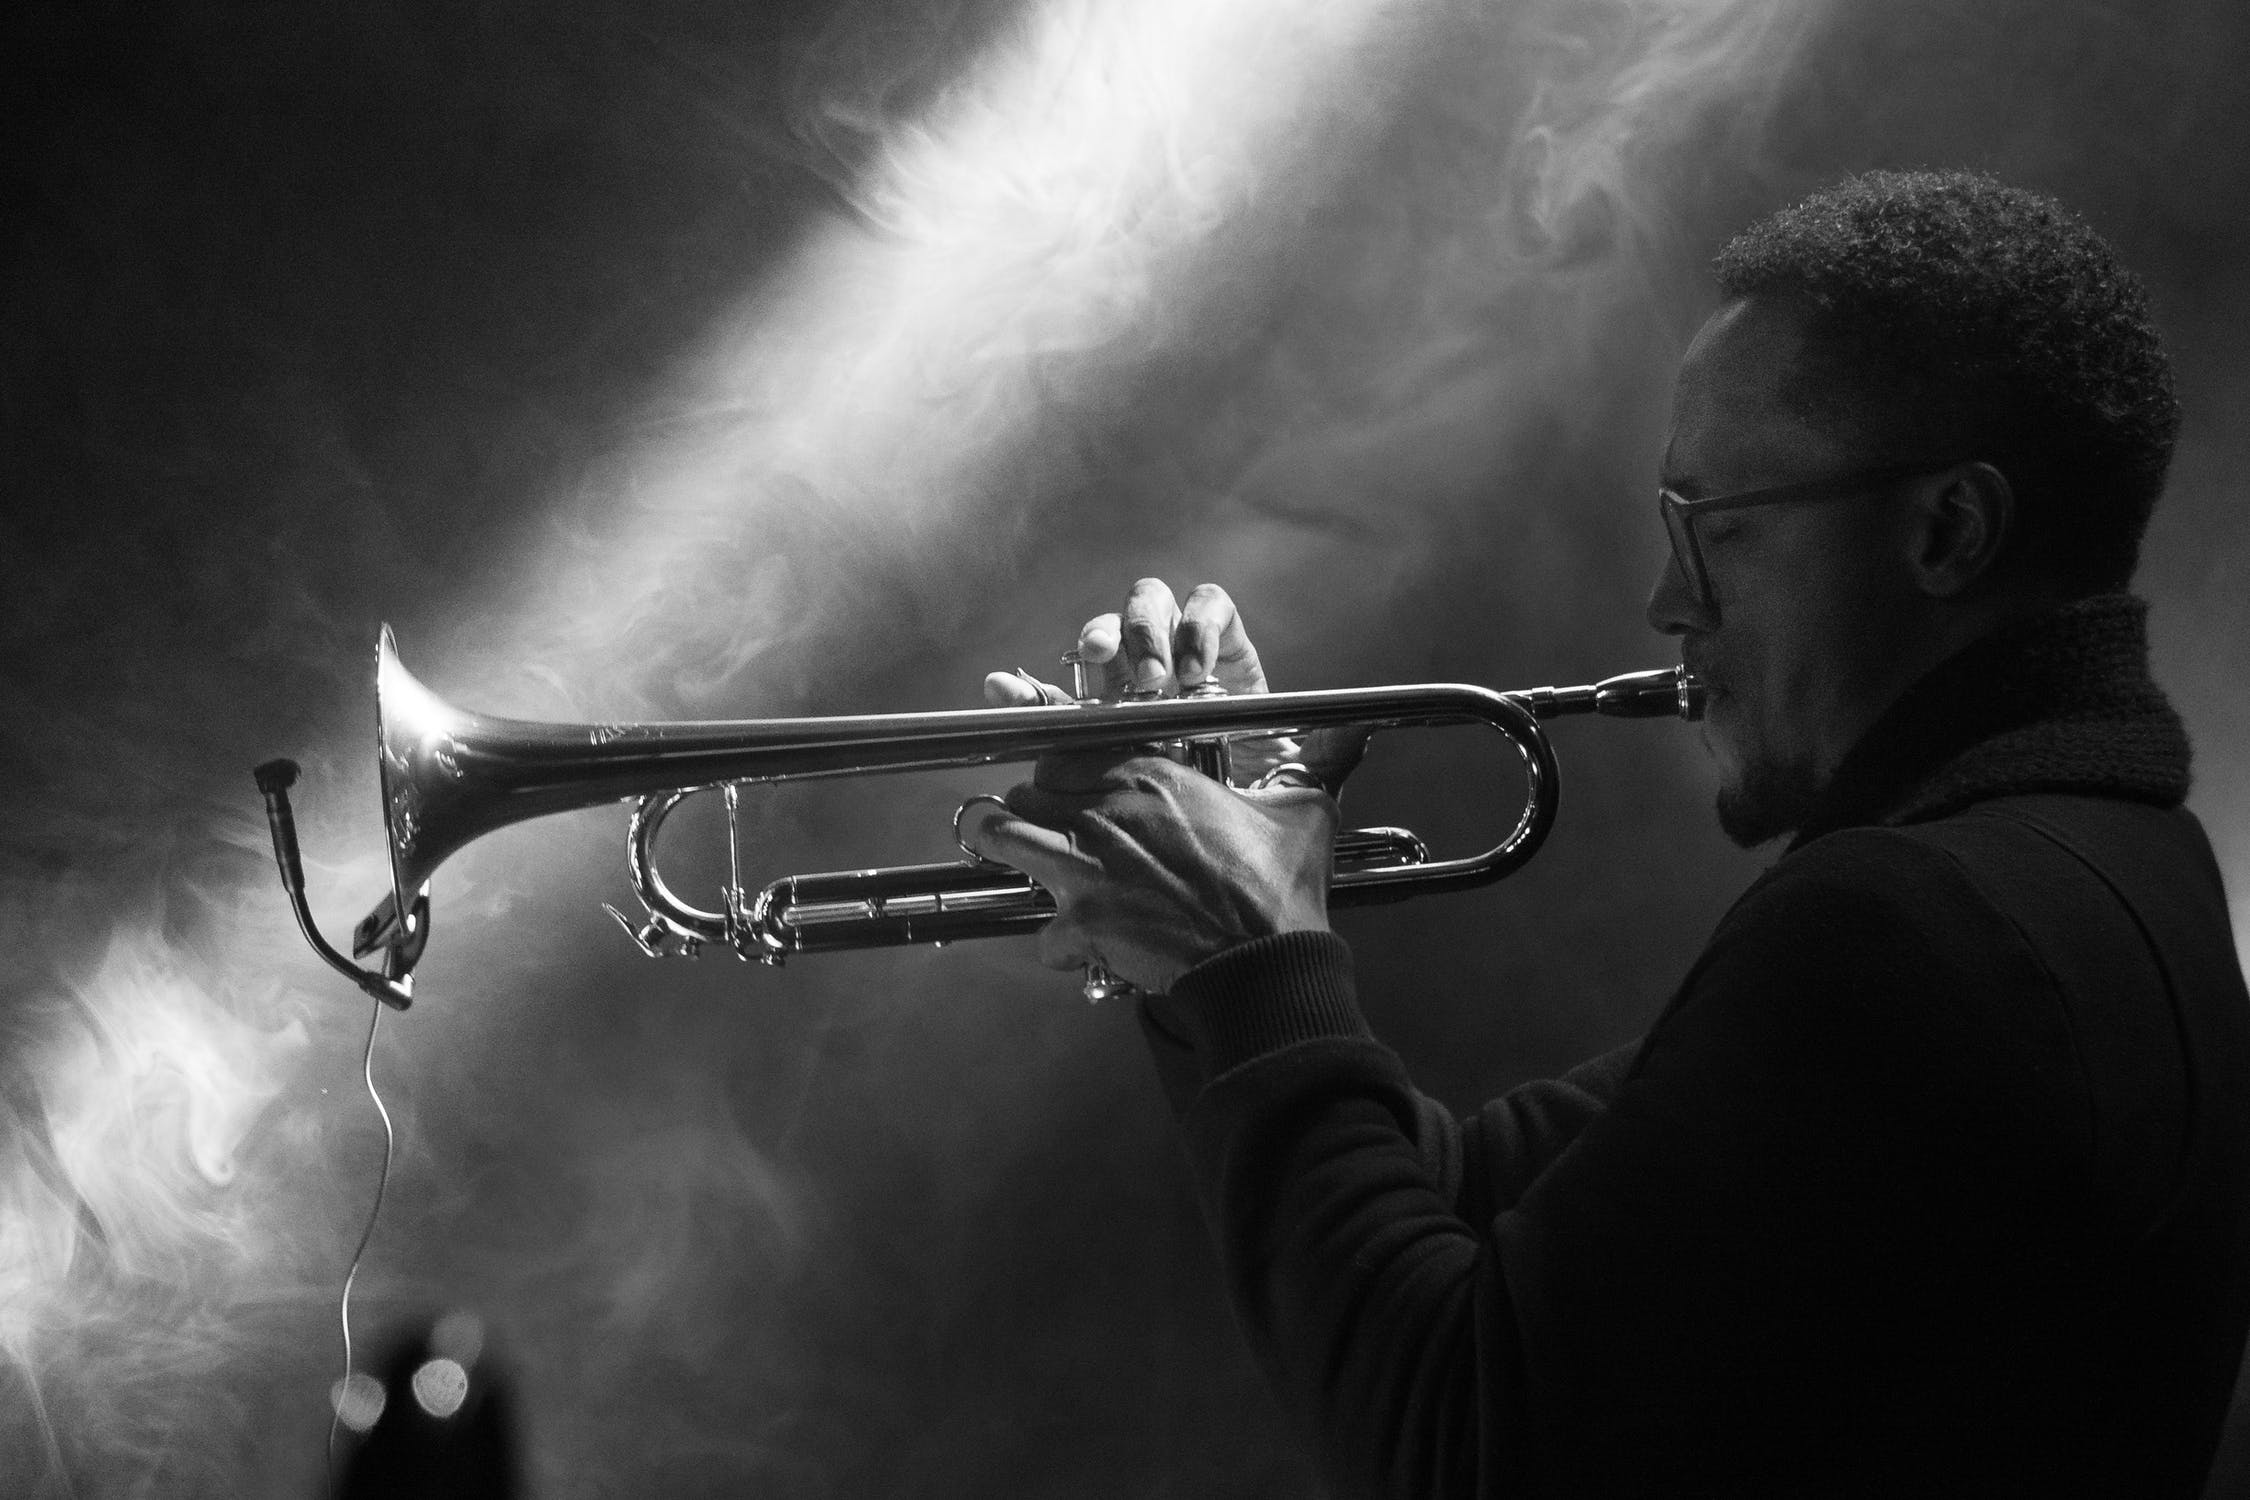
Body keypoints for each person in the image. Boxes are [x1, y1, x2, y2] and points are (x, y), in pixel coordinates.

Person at [966, 169, 2250, 1496]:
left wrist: (1244, 957)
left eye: (1717, 531)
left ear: (1945, 528)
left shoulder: (1915, 928)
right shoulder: (2105, 866)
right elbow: (1455, 1199)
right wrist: (1204, 938)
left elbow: (1456, 1439)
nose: (1664, 602)